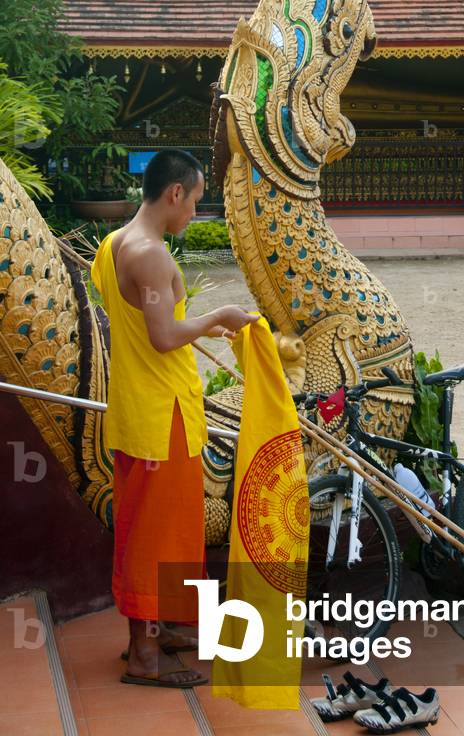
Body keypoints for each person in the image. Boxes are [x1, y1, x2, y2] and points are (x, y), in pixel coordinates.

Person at [91, 149, 256, 687]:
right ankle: (143, 654)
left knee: (166, 527)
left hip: (145, 409)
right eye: (196, 202)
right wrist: (218, 317)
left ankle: (161, 628)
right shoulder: (150, 254)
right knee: (153, 535)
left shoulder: (114, 244)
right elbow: (163, 337)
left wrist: (198, 327)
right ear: (175, 194)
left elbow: (146, 323)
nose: (194, 215)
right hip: (161, 418)